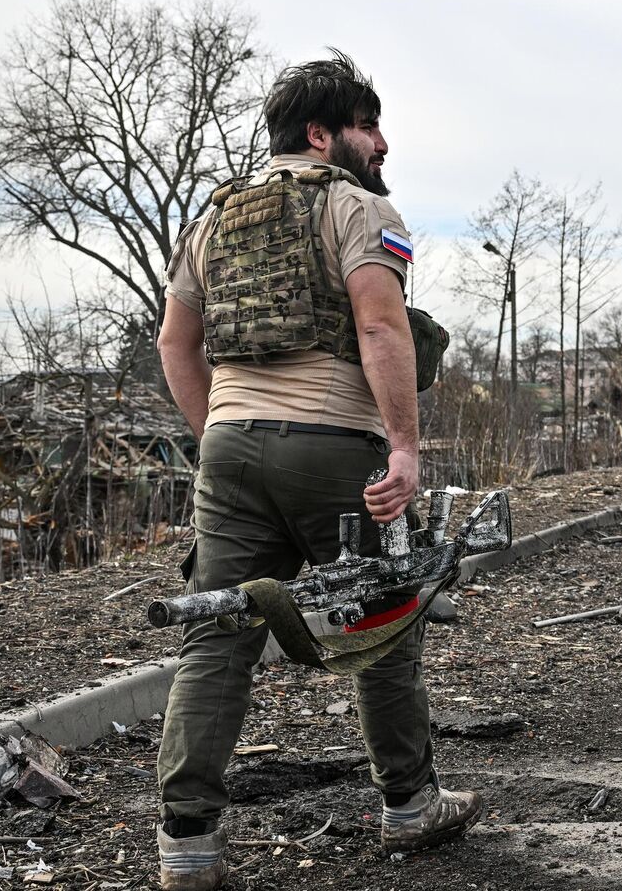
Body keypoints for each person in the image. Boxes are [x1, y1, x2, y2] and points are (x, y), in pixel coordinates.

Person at [152, 51, 478, 890]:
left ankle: (187, 844)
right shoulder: (359, 208)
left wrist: (219, 435)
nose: (383, 143)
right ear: (322, 135)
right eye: (368, 126)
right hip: (335, 450)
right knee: (381, 620)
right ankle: (410, 804)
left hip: (228, 451)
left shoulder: (211, 220)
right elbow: (380, 327)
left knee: (216, 637)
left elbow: (175, 344)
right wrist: (404, 447)